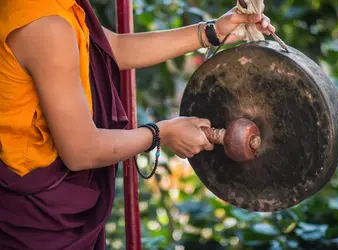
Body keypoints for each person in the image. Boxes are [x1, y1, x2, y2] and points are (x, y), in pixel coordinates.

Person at [0, 0, 275, 249]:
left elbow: (112, 48)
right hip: (34, 219)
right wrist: (160, 133)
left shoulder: (53, 8)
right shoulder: (45, 26)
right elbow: (80, 151)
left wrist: (211, 32)